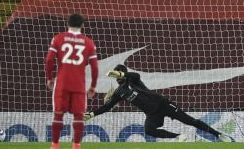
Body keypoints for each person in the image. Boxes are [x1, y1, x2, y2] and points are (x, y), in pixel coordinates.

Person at [84, 64, 232, 142]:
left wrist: (121, 73)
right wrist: (91, 114)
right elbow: (107, 107)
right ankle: (178, 137)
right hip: (152, 113)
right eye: (116, 76)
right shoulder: (119, 92)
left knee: (190, 121)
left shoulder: (133, 79)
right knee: (148, 130)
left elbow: (134, 74)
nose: (117, 78)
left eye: (119, 75)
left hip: (163, 104)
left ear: (122, 74)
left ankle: (218, 134)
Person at [45, 13, 99, 149]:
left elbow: (49, 60)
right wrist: (93, 85)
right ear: (82, 25)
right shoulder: (89, 42)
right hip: (79, 85)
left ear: (67, 24)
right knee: (79, 116)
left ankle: (55, 145)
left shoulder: (58, 38)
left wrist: (50, 78)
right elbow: (94, 66)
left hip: (62, 83)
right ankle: (76, 145)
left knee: (58, 114)